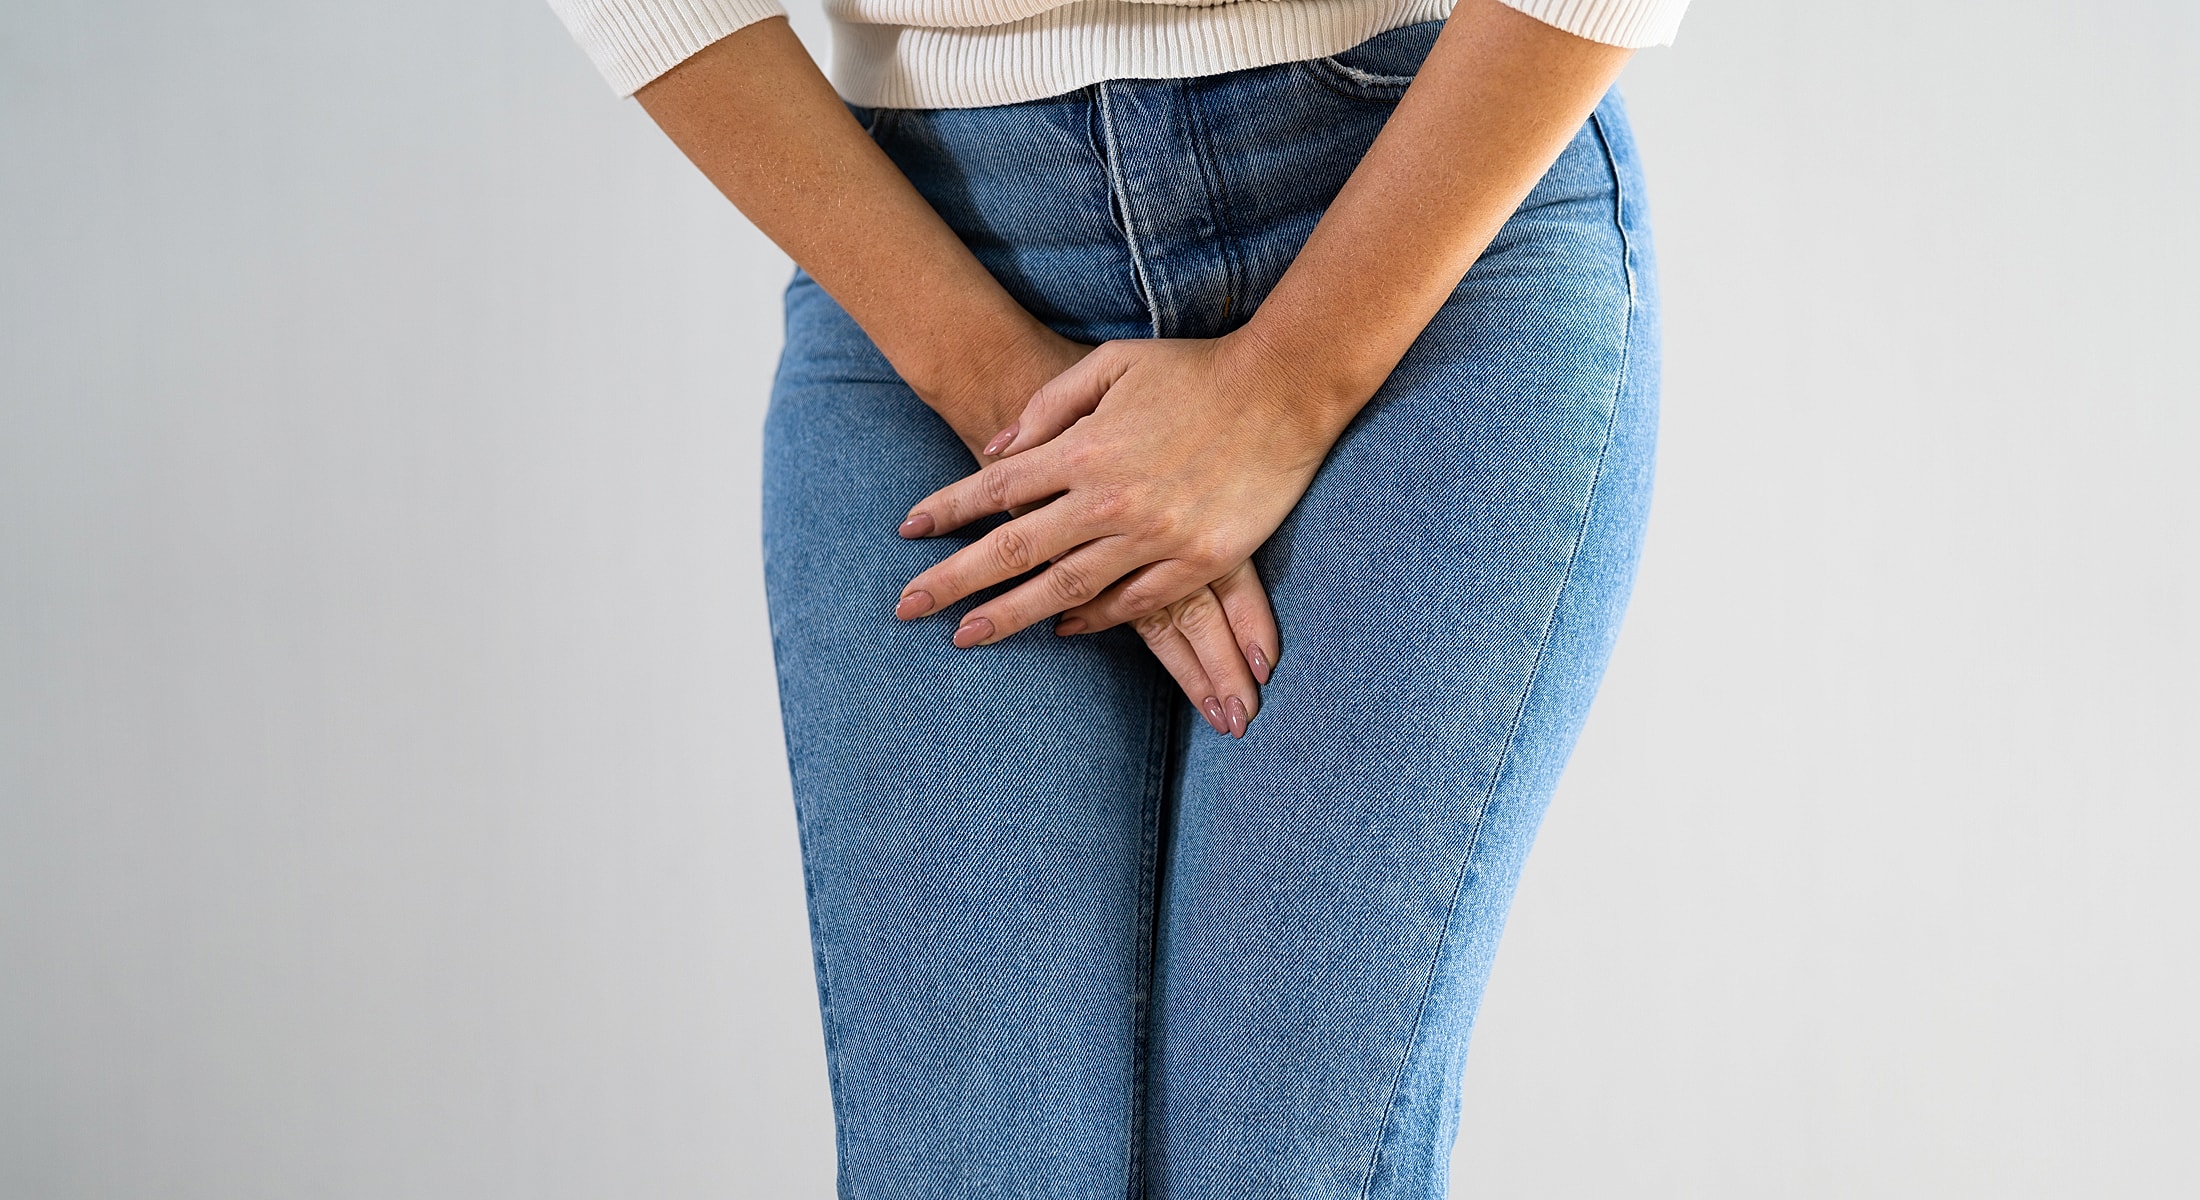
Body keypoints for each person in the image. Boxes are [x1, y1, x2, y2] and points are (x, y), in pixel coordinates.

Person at [548, 0, 1685, 1192]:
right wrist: (1009, 408)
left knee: (1284, 1164)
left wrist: (1286, 388)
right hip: (922, 248)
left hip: (1415, 211)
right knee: (969, 1166)